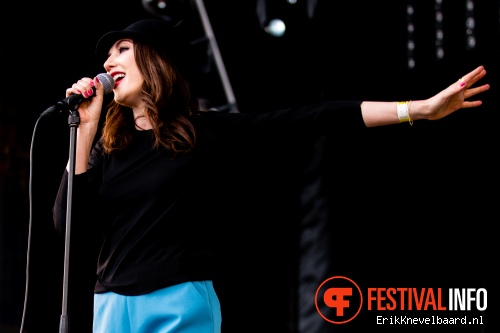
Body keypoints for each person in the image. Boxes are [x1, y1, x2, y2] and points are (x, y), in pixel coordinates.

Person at [52, 18, 489, 333]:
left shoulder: (202, 133)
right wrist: (85, 130)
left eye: (122, 50)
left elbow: (311, 117)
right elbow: (67, 224)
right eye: (107, 56)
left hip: (176, 303)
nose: (109, 61)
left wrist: (416, 110)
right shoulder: (108, 148)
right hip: (109, 306)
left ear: (156, 60)